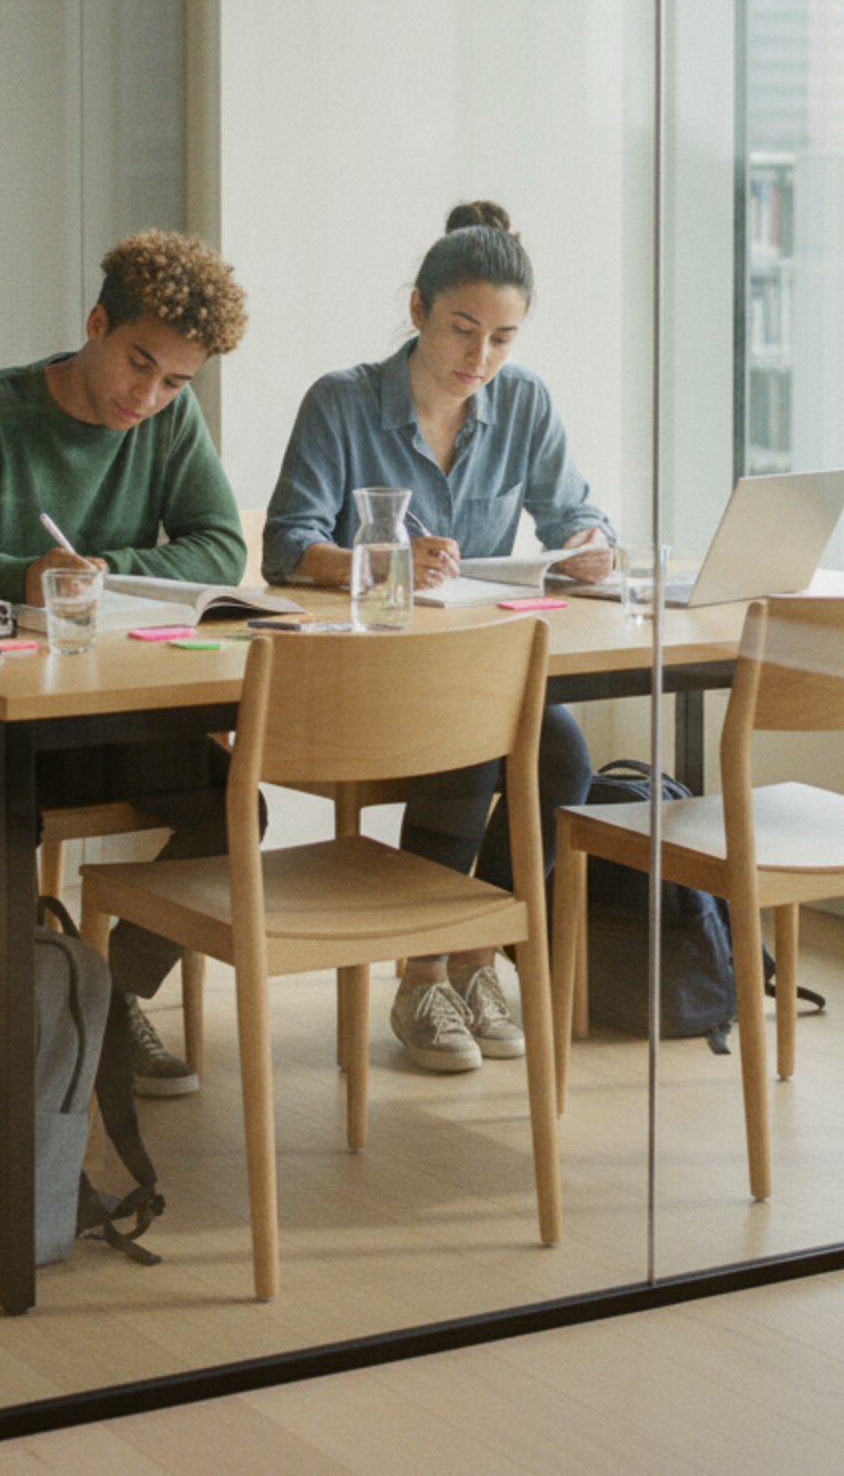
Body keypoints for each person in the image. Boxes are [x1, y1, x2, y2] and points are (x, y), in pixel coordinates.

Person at [0, 228, 249, 1097]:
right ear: (94, 323)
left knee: (233, 809)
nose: (149, 396)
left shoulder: (169, 422)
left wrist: (107, 574)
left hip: (94, 716)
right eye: (139, 365)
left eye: (176, 382)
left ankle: (106, 997)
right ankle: (32, 1010)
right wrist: (23, 577)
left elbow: (221, 548)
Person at [262, 201, 613, 1074]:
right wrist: (382, 563)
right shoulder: (342, 402)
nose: (480, 359)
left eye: (502, 339)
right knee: (473, 735)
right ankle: (421, 972)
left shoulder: (521, 402)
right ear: (417, 310)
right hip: (368, 677)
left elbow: (576, 514)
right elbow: (284, 543)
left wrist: (587, 548)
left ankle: (471, 957)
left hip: (474, 669)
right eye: (463, 330)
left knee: (563, 759)